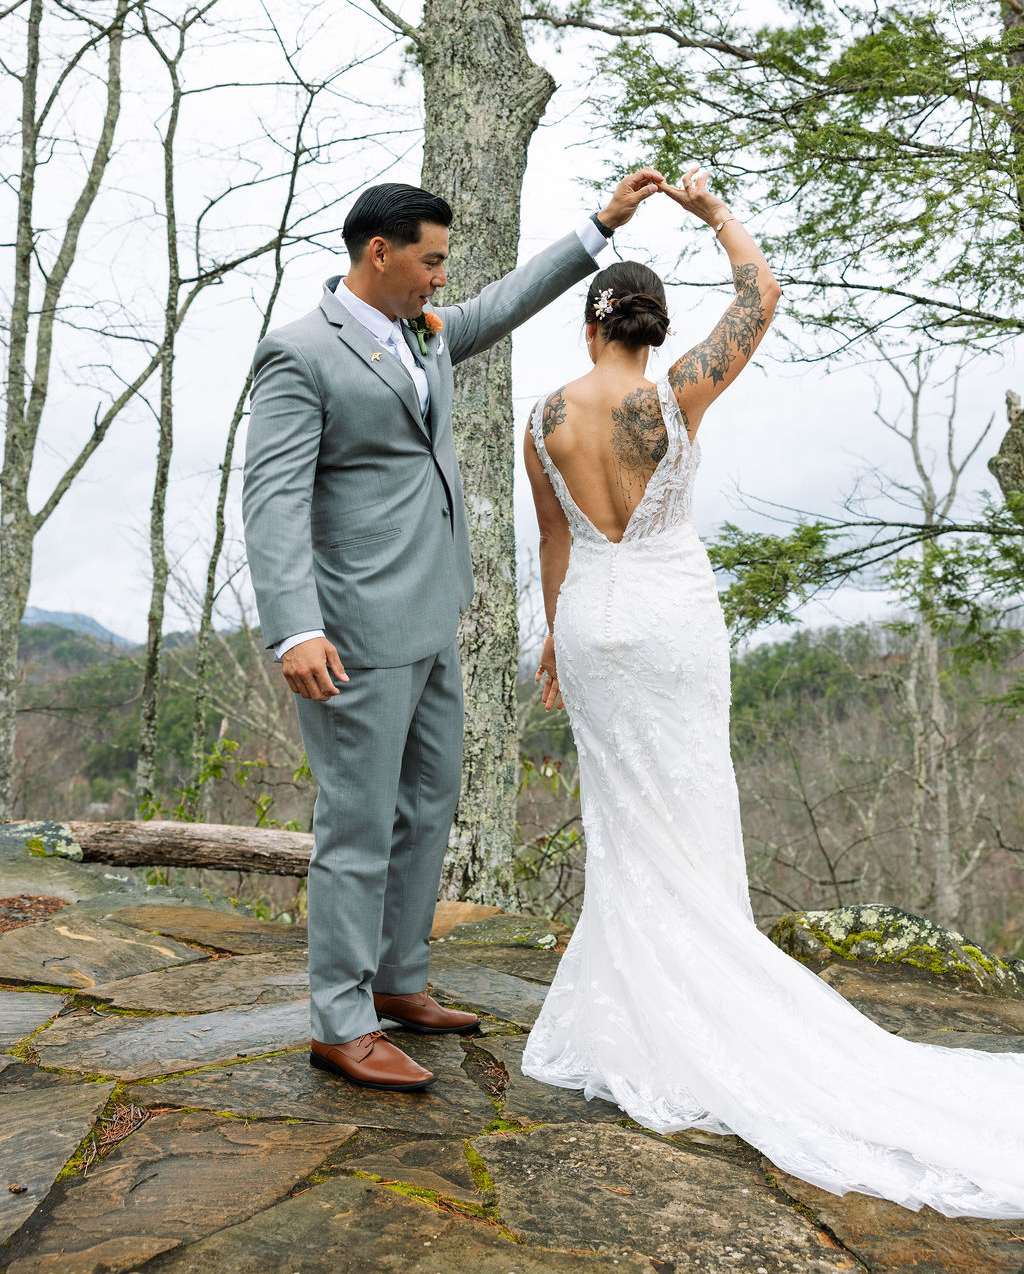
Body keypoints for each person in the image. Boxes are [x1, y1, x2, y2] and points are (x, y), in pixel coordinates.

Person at [520, 166, 1024, 1217]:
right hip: (670, 621)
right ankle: (706, 997)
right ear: (655, 331)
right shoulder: (671, 397)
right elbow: (760, 293)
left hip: (593, 624)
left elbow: (554, 537)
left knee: (621, 818)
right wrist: (710, 211)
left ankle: (641, 1006)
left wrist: (556, 648)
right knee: (691, 811)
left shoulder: (541, 419)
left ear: (589, 324)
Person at [242, 170, 662, 1092]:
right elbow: (270, 501)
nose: (443, 279)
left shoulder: (423, 333)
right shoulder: (299, 354)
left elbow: (505, 303)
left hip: (433, 620)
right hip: (350, 634)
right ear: (379, 252)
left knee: (429, 803)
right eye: (431, 261)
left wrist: (599, 226)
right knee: (355, 827)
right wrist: (294, 628)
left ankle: (396, 981)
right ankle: (340, 1020)